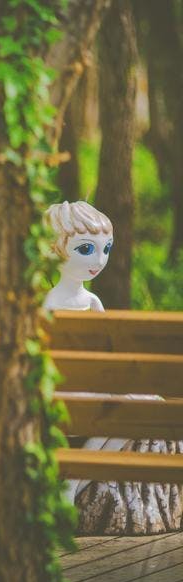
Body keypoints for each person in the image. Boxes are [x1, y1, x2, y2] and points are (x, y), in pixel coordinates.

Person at [44, 201, 182, 534]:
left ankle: (72, 482)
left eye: (105, 249)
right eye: (86, 249)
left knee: (140, 406)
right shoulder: (48, 304)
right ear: (53, 249)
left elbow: (108, 356)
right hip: (62, 400)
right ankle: (72, 481)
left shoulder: (91, 302)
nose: (99, 260)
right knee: (134, 404)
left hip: (88, 397)